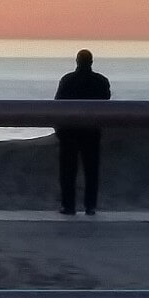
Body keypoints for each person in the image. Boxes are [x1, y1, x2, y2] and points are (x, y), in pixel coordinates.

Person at [54, 49, 110, 215]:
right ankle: (90, 206)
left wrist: (59, 127)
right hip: (91, 130)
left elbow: (58, 104)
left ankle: (68, 206)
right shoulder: (101, 81)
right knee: (91, 170)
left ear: (76, 61)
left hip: (70, 131)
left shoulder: (68, 80)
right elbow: (106, 103)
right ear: (91, 62)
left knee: (68, 171)